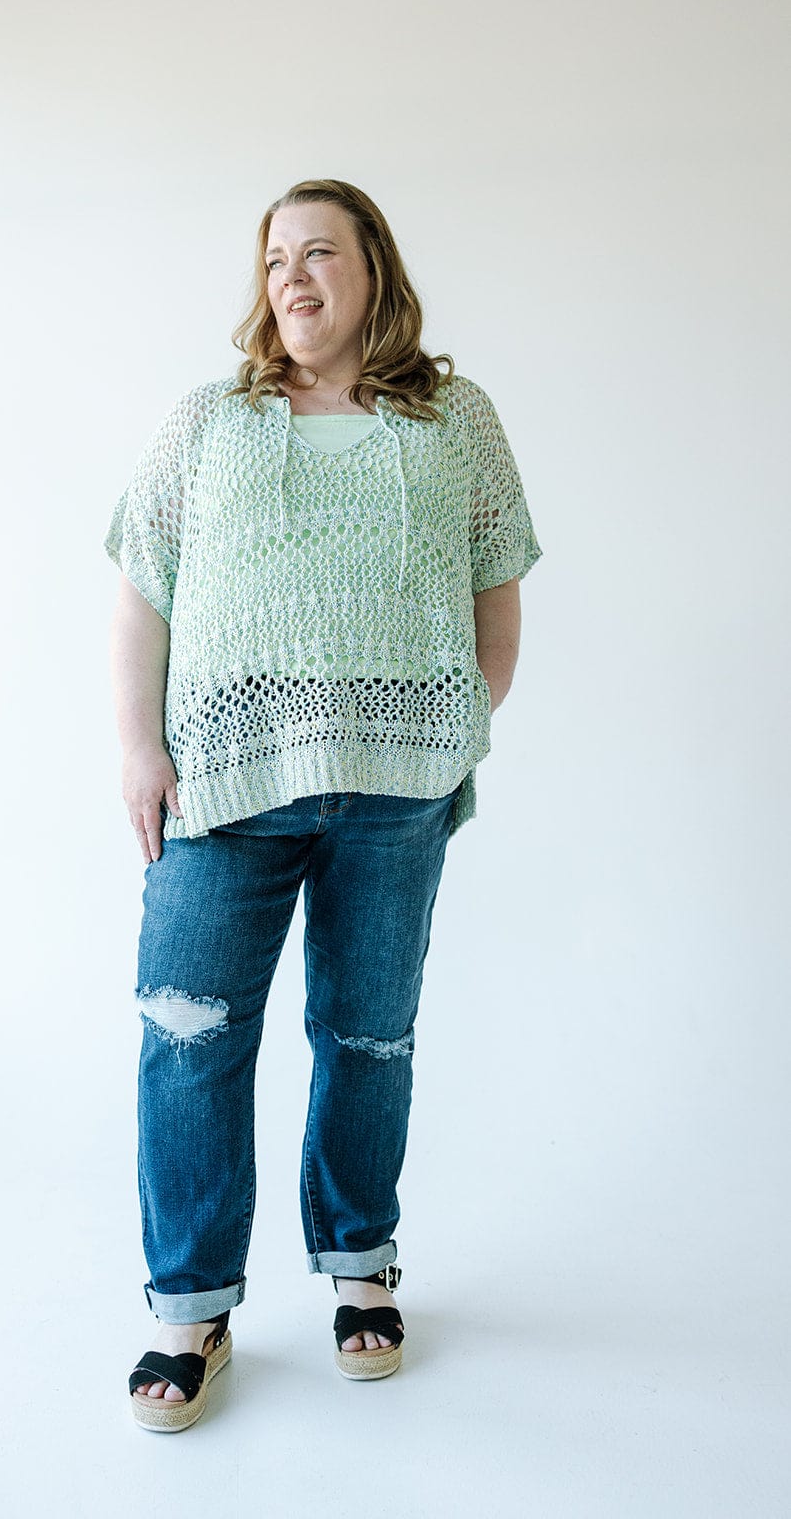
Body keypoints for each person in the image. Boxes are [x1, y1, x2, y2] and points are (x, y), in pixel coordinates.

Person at [104, 178, 542, 1431]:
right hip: (224, 786)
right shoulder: (208, 422)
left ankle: (361, 1267)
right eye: (274, 259)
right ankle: (189, 1304)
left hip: (396, 790)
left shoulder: (454, 420)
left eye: (319, 254)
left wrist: (467, 712)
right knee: (188, 1035)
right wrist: (140, 747)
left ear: (374, 273)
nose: (293, 278)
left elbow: (494, 585)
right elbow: (143, 589)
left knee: (366, 1035)